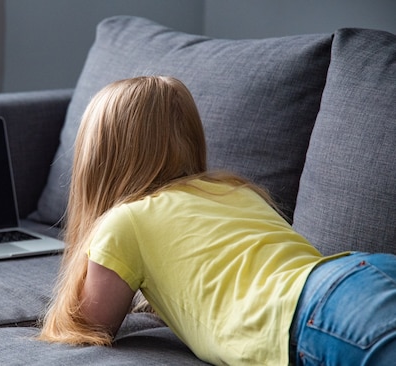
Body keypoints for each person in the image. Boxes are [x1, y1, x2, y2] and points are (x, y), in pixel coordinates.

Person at [37, 76, 396, 365]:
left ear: (99, 158)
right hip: (362, 271)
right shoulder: (233, 190)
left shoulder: (123, 222)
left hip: (321, 312)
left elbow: (91, 324)